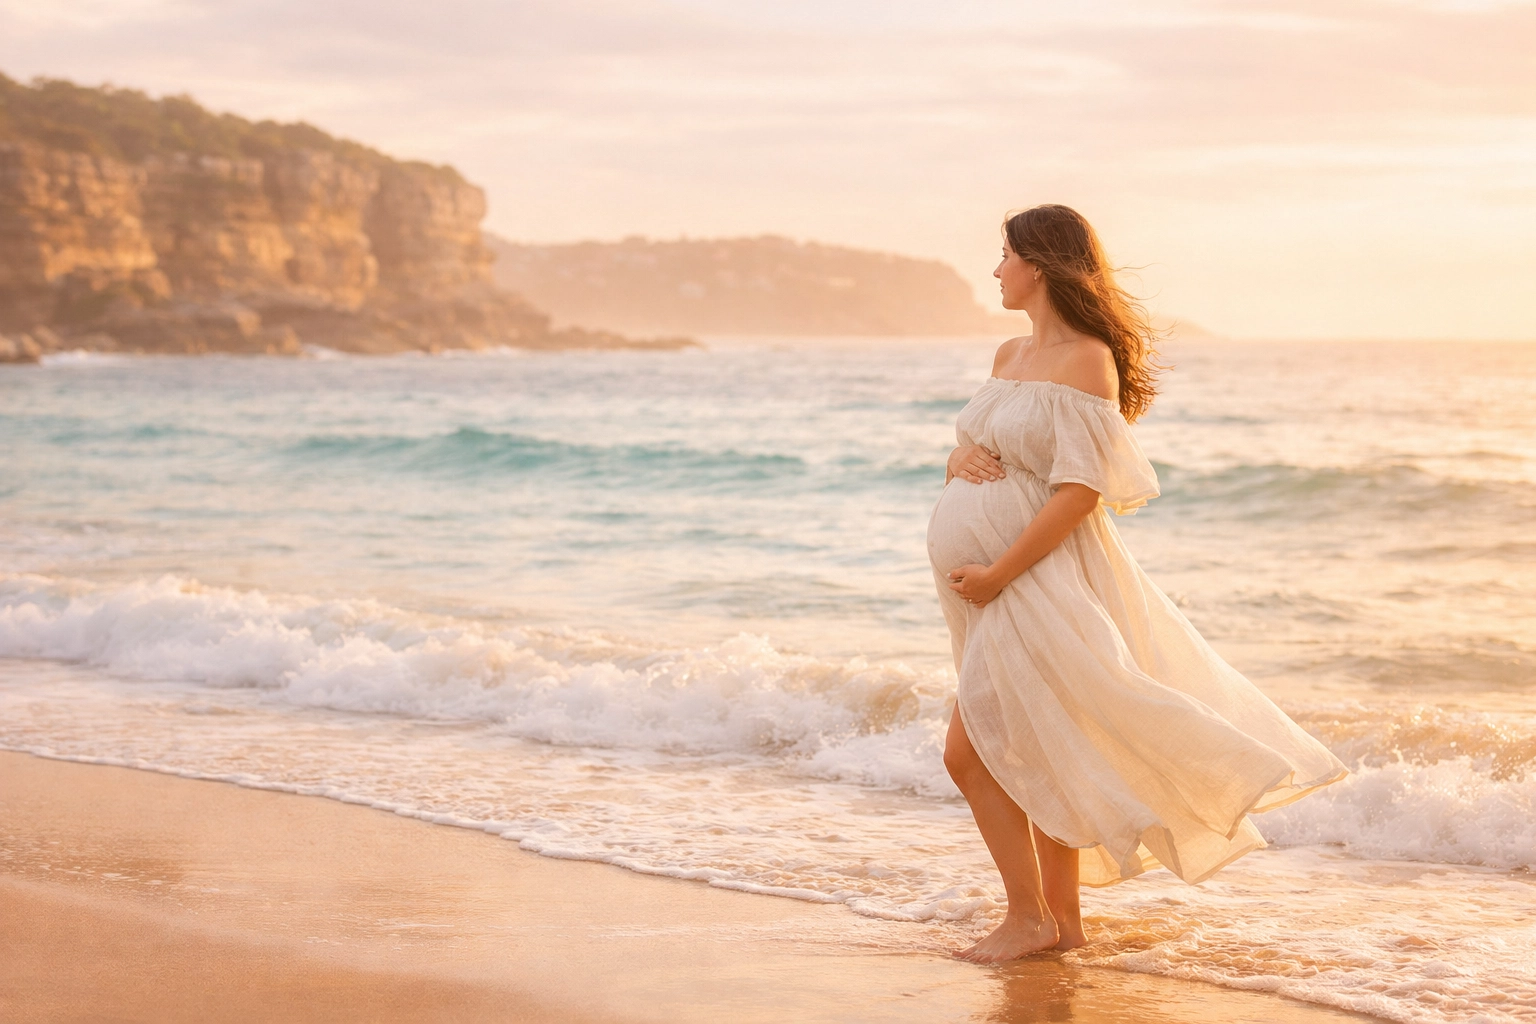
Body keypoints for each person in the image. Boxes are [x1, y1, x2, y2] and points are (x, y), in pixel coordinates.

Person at [928, 204, 1347, 963]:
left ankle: (1028, 918)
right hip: (988, 591)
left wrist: (997, 572)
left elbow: (1081, 488)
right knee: (1035, 744)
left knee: (972, 752)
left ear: (1042, 265)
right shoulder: (1005, 357)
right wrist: (955, 460)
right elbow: (976, 444)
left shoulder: (1087, 359)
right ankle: (1065, 926)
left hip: (1034, 579)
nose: (995, 270)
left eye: (1005, 256)